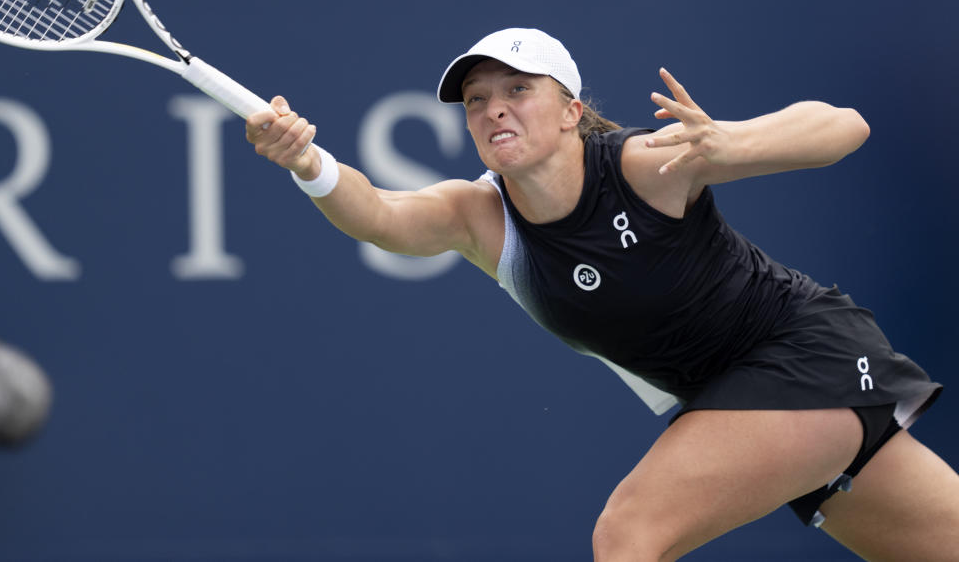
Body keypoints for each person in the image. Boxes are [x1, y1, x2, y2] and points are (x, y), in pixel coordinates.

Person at [245, 28, 959, 560]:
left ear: (570, 111)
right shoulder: (479, 216)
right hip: (739, 401)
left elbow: (845, 124)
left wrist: (734, 144)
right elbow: (377, 215)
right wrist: (307, 161)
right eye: (477, 100)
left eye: (518, 90)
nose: (495, 110)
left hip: (807, 358)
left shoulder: (646, 163)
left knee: (629, 532)